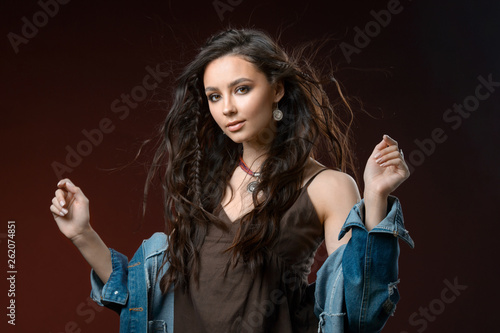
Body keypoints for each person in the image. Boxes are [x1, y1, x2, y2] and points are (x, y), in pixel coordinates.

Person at [50, 28, 414, 332]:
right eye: (214, 96)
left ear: (277, 90)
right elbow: (142, 300)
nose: (226, 108)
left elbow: (360, 313)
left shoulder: (327, 186)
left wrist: (376, 197)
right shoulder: (204, 182)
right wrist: (83, 234)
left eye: (241, 89)